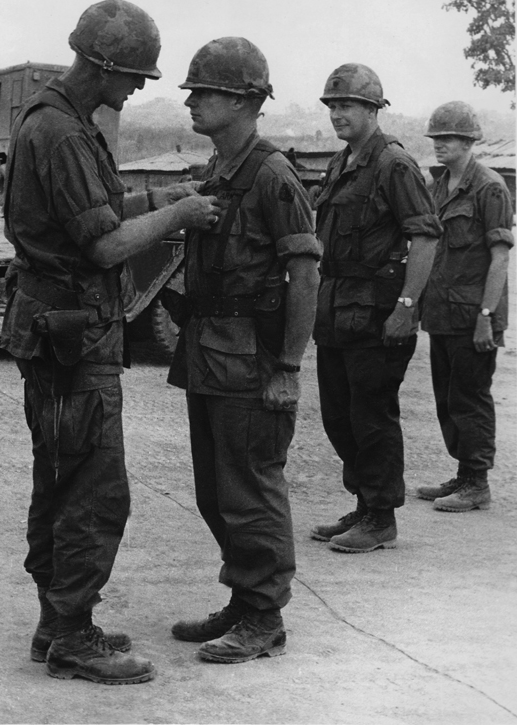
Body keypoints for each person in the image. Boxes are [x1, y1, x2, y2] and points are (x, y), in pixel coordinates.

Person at [0, 0, 219, 686]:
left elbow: (90, 214)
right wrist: (182, 213)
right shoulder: (65, 133)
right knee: (95, 489)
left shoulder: (54, 118)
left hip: (57, 328)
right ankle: (72, 635)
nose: (138, 87)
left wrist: (157, 200)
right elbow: (100, 246)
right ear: (101, 65)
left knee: (61, 479)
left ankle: (55, 622)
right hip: (73, 334)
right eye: (134, 76)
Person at [165, 37, 321, 663]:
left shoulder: (272, 175)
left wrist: (288, 367)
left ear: (243, 101)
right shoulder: (220, 170)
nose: (192, 101)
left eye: (204, 92)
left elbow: (305, 276)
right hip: (210, 354)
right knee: (215, 490)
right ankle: (243, 597)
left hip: (253, 361)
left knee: (251, 488)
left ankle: (264, 617)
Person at [310, 63, 443, 553]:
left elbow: (425, 236)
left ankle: (381, 516)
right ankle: (365, 504)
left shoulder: (394, 164)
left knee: (371, 415)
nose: (337, 114)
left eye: (347, 105)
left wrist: (406, 306)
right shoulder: (340, 163)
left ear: (373, 110)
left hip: (377, 313)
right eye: (332, 106)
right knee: (338, 416)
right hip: (337, 309)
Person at [417, 101, 513, 512]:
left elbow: (500, 258)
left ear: (469, 141)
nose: (439, 144)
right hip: (443, 312)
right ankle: (463, 473)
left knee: (470, 398)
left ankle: (477, 483)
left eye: (449, 138)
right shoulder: (438, 186)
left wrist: (486, 317)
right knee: (447, 398)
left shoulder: (489, 187)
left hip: (474, 315)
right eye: (436, 137)